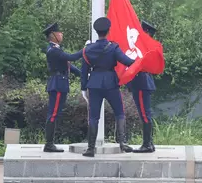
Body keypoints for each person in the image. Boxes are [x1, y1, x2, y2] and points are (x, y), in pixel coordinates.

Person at [80, 17, 136, 157]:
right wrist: (140, 62)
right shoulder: (113, 47)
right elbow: (127, 61)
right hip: (110, 83)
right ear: (108, 31)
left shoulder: (88, 49)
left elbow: (84, 70)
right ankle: (122, 143)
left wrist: (83, 87)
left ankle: (91, 148)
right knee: (119, 112)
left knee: (93, 117)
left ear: (96, 31)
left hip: (94, 83)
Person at [42, 23, 83, 153]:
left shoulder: (56, 49)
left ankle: (50, 143)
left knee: (55, 114)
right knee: (53, 114)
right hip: (58, 84)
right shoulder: (53, 50)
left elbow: (69, 66)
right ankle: (49, 144)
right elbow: (71, 58)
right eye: (59, 32)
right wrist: (86, 50)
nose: (61, 34)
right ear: (53, 36)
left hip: (61, 83)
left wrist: (84, 74)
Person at [126, 20, 158, 153]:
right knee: (145, 113)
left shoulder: (144, 48)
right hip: (144, 82)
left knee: (145, 114)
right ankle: (149, 143)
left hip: (141, 82)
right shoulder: (146, 47)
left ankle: (147, 144)